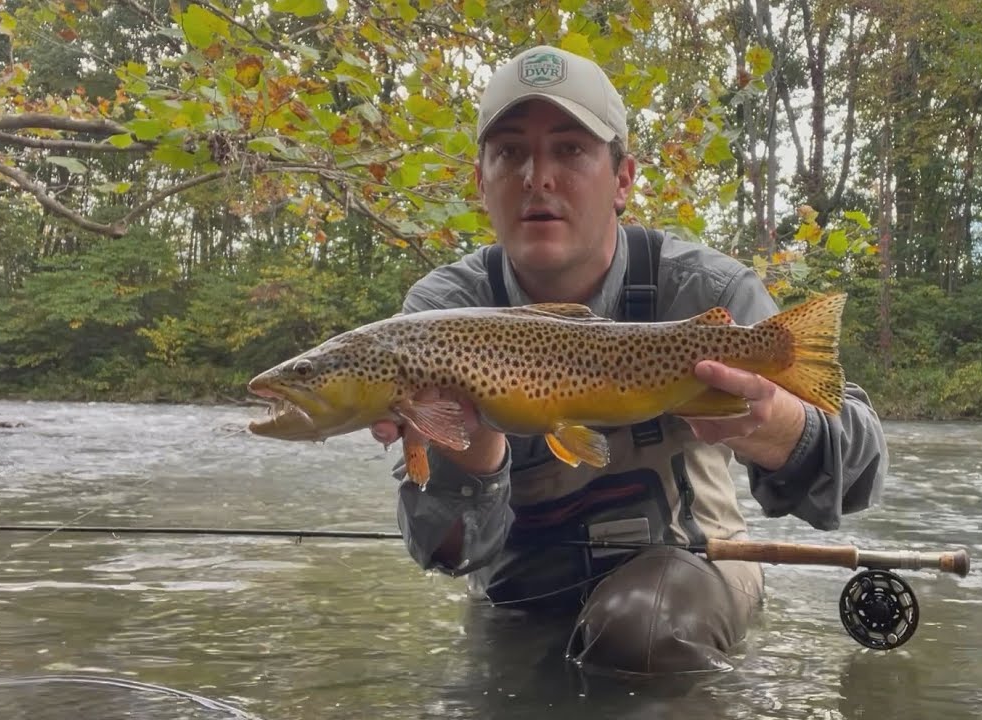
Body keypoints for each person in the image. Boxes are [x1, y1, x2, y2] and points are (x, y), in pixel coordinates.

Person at [369, 44, 888, 677]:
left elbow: (861, 477)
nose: (537, 176)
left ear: (622, 180)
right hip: (519, 594)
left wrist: (774, 420)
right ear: (480, 182)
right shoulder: (440, 318)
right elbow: (444, 552)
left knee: (645, 631)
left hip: (688, 578)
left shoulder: (707, 293)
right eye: (509, 152)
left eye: (571, 149)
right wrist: (471, 451)